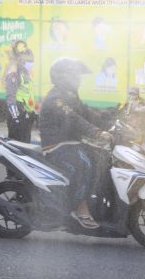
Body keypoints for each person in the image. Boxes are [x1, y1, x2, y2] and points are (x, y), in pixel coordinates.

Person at [39, 58, 113, 230]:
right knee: (85, 165)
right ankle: (80, 209)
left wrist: (110, 118)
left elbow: (86, 112)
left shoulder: (70, 95)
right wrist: (96, 132)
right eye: (74, 75)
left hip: (72, 143)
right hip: (57, 146)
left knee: (101, 160)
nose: (78, 79)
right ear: (63, 77)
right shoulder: (56, 98)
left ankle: (97, 202)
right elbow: (73, 119)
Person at [4, 41, 36, 143]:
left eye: (32, 62)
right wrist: (15, 116)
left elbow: (28, 94)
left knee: (25, 143)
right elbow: (11, 97)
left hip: (26, 115)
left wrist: (33, 113)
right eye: (29, 62)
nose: (31, 64)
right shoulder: (14, 74)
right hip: (17, 113)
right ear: (22, 62)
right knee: (16, 145)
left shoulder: (26, 74)